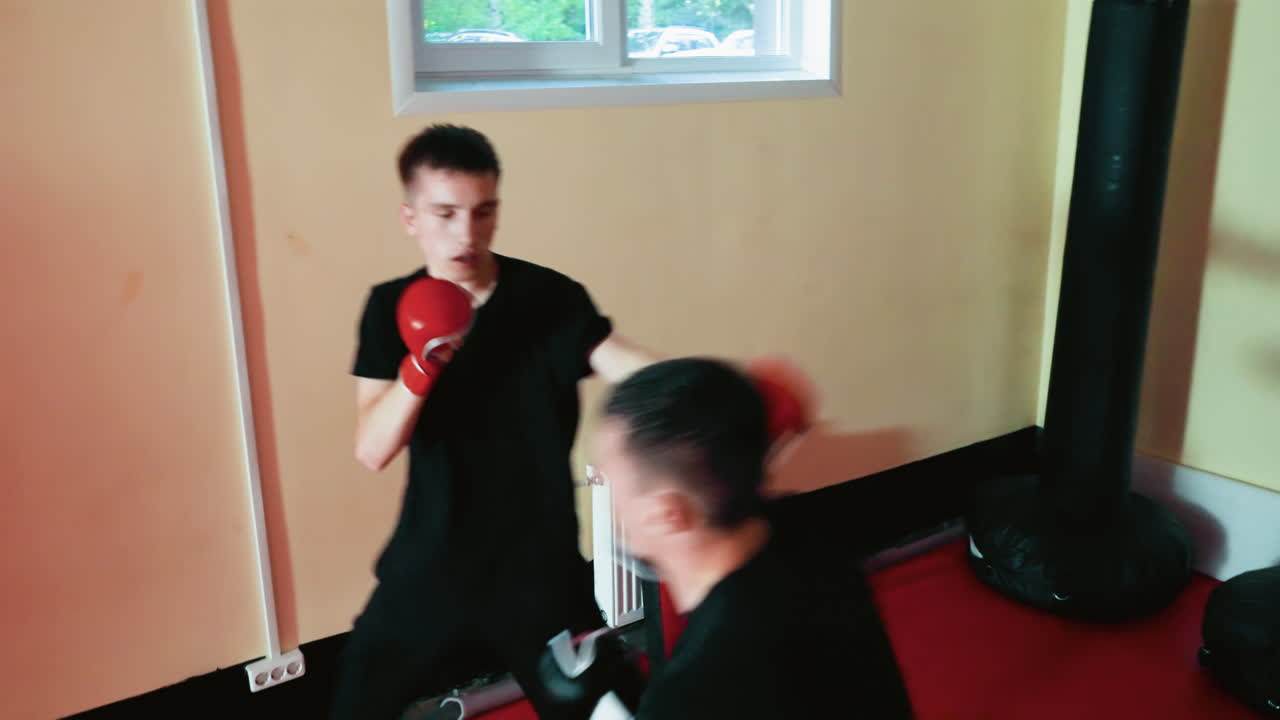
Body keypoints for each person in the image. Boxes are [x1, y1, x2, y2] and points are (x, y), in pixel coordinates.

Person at [336, 124, 654, 720]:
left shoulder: (550, 299)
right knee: (357, 708)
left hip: (539, 570)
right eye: (445, 214)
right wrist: (421, 366)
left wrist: (718, 392)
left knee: (612, 713)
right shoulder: (387, 308)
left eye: (483, 213)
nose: (466, 234)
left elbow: (629, 365)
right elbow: (372, 449)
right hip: (431, 563)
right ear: (411, 217)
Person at [565, 357, 914, 719]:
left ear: (665, 515)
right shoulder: (805, 534)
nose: (607, 497)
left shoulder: (692, 693)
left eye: (609, 482)